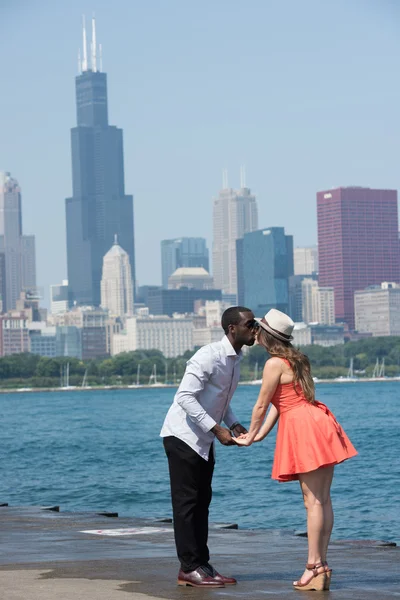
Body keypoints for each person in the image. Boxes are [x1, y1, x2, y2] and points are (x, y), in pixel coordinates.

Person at [235, 308, 357, 592]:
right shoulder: (298, 359)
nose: (255, 333)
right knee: (323, 500)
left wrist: (250, 434)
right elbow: (282, 404)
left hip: (303, 427)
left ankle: (314, 567)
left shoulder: (273, 364)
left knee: (312, 502)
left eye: (258, 330)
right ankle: (321, 566)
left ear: (265, 335)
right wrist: (260, 435)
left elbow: (262, 405)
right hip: (319, 421)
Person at [160, 306, 257, 588]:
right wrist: (217, 429)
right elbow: (185, 397)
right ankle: (188, 568)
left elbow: (219, 399)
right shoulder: (208, 356)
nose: (255, 330)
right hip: (183, 437)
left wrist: (234, 423)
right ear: (232, 329)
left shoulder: (235, 360)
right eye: (250, 324)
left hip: (202, 440)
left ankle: (201, 565)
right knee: (187, 505)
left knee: (202, 504)